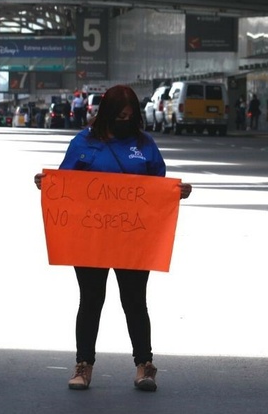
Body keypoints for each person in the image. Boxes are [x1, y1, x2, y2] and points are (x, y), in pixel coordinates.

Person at [34, 85, 192, 393]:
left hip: (132, 238)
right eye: (120, 115)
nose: (125, 120)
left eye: (130, 116)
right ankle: (83, 365)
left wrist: (178, 192)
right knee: (91, 300)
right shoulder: (84, 142)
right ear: (107, 114)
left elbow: (159, 188)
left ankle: (144, 365)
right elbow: (64, 184)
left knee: (134, 301)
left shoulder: (144, 145)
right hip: (91, 237)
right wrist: (46, 184)